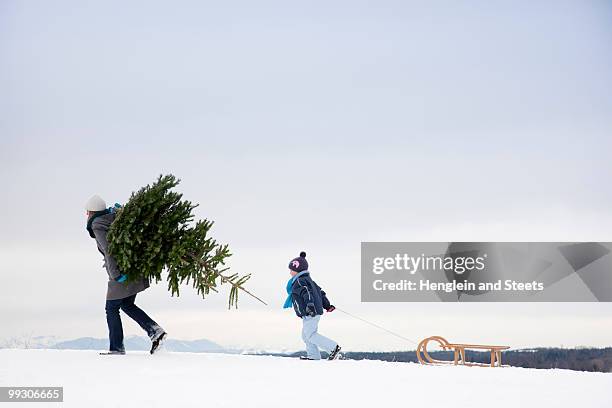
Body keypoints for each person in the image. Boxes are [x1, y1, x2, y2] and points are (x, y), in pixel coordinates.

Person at [85, 194, 167, 355]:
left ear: (92, 212)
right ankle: (155, 331)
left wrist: (115, 274)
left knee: (111, 308)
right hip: (134, 267)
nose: (86, 215)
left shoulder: (97, 224)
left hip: (121, 271)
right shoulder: (113, 217)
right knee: (126, 304)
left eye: (87, 212)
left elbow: (109, 251)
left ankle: (117, 348)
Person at [283, 251, 341, 360]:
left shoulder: (299, 282)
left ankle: (333, 347)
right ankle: (313, 356)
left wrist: (310, 305)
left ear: (298, 270)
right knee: (306, 336)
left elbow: (307, 293)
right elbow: (320, 292)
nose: (290, 272)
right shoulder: (308, 280)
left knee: (310, 335)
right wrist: (327, 305)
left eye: (292, 270)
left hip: (311, 312)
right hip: (310, 312)